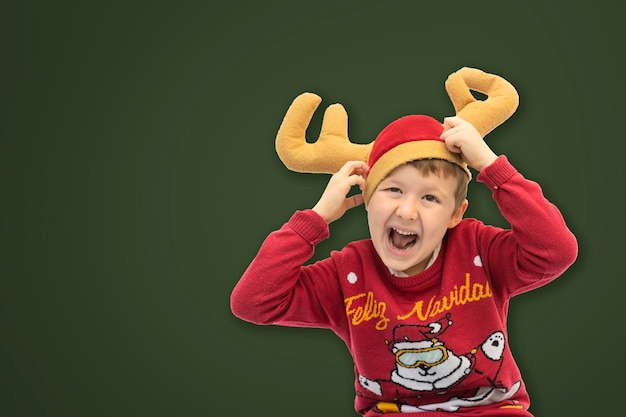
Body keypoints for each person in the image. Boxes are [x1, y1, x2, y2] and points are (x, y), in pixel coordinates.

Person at [230, 69, 578, 416]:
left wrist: (490, 165)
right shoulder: (347, 273)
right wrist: (315, 219)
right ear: (367, 198)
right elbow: (253, 303)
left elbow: (556, 251)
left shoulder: (477, 248)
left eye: (430, 198)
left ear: (456, 214)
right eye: (393, 190)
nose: (408, 211)